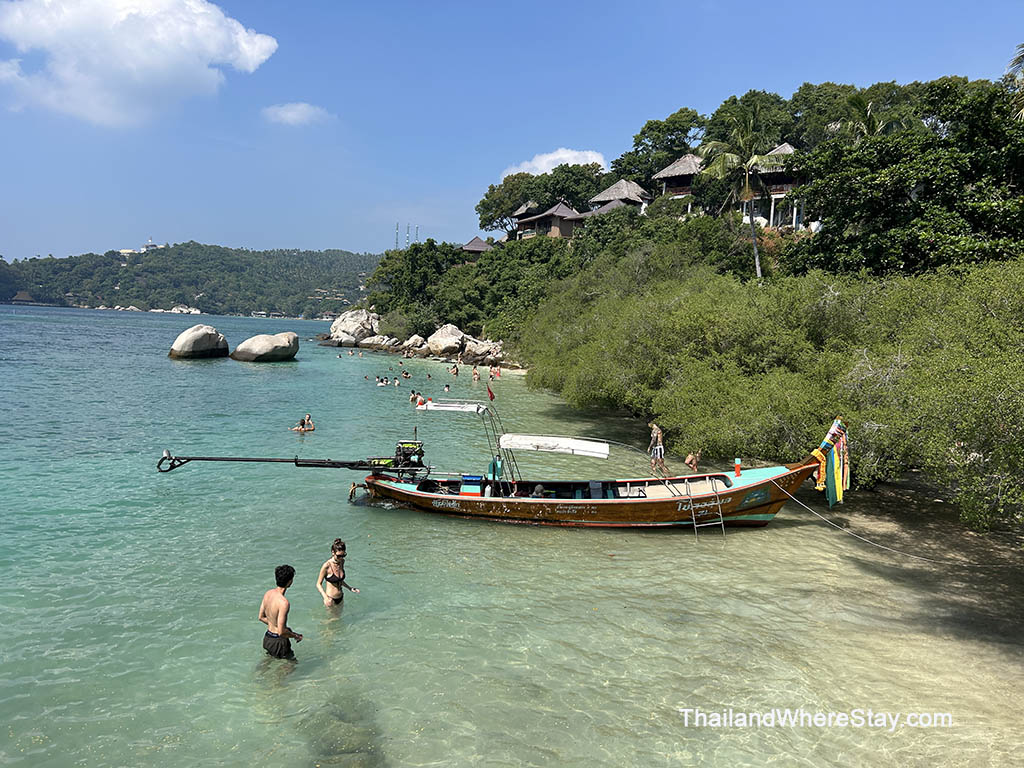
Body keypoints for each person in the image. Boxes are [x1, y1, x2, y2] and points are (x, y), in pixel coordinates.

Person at [258, 565, 302, 659]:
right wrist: (295, 635)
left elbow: (261, 617)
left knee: (269, 661)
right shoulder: (284, 603)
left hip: (268, 638)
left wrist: (274, 625)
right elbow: (281, 632)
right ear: (290, 581)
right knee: (290, 667)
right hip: (278, 642)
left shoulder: (268, 593)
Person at [316, 539, 359, 607]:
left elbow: (339, 580)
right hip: (330, 599)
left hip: (341, 597)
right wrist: (325, 598)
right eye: (339, 556)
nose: (341, 558)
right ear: (333, 552)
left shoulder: (342, 562)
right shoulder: (326, 566)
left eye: (343, 555)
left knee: (340, 617)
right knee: (333, 618)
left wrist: (350, 588)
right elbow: (318, 584)